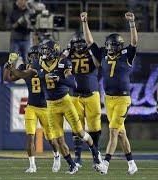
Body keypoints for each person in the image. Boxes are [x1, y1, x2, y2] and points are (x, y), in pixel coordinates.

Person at [7, 40, 103, 174]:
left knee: (80, 133)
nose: (44, 53)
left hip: (65, 101)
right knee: (58, 138)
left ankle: (95, 152)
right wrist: (11, 68)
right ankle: (71, 164)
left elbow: (73, 83)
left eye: (47, 50)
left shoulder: (63, 62)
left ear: (54, 51)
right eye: (44, 50)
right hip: (50, 105)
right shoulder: (37, 64)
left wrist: (59, 78)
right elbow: (23, 75)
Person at [81, 11, 138, 175]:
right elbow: (89, 41)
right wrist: (85, 22)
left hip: (123, 99)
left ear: (119, 47)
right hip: (109, 99)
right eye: (109, 45)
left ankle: (105, 163)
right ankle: (132, 164)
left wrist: (132, 23)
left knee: (113, 131)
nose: (110, 48)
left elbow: (134, 42)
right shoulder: (103, 54)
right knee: (121, 134)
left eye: (113, 46)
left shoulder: (126, 55)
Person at [3, 47, 61, 173]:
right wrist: (7, 66)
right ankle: (32, 165)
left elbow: (21, 74)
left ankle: (57, 156)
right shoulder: (25, 66)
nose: (33, 58)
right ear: (28, 56)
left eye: (36, 55)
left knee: (50, 138)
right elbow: (8, 78)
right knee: (30, 136)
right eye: (31, 55)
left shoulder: (44, 67)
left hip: (45, 107)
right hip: (31, 106)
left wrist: (11, 66)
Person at [65, 32, 102, 167]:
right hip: (75, 95)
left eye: (82, 43)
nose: (79, 46)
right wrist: (66, 52)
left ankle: (96, 156)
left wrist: (92, 52)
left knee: (94, 128)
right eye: (77, 44)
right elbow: (59, 62)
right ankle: (78, 158)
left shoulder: (92, 54)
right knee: (77, 128)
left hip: (92, 94)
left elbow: (98, 64)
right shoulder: (68, 55)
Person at [6, 0, 31, 64]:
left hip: (26, 39)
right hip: (15, 40)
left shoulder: (30, 12)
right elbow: (7, 25)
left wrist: (28, 24)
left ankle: (27, 74)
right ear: (17, 2)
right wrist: (15, 24)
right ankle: (11, 74)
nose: (22, 2)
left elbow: (34, 25)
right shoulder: (12, 11)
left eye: (23, 0)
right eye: (20, 0)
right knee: (12, 62)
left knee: (27, 61)